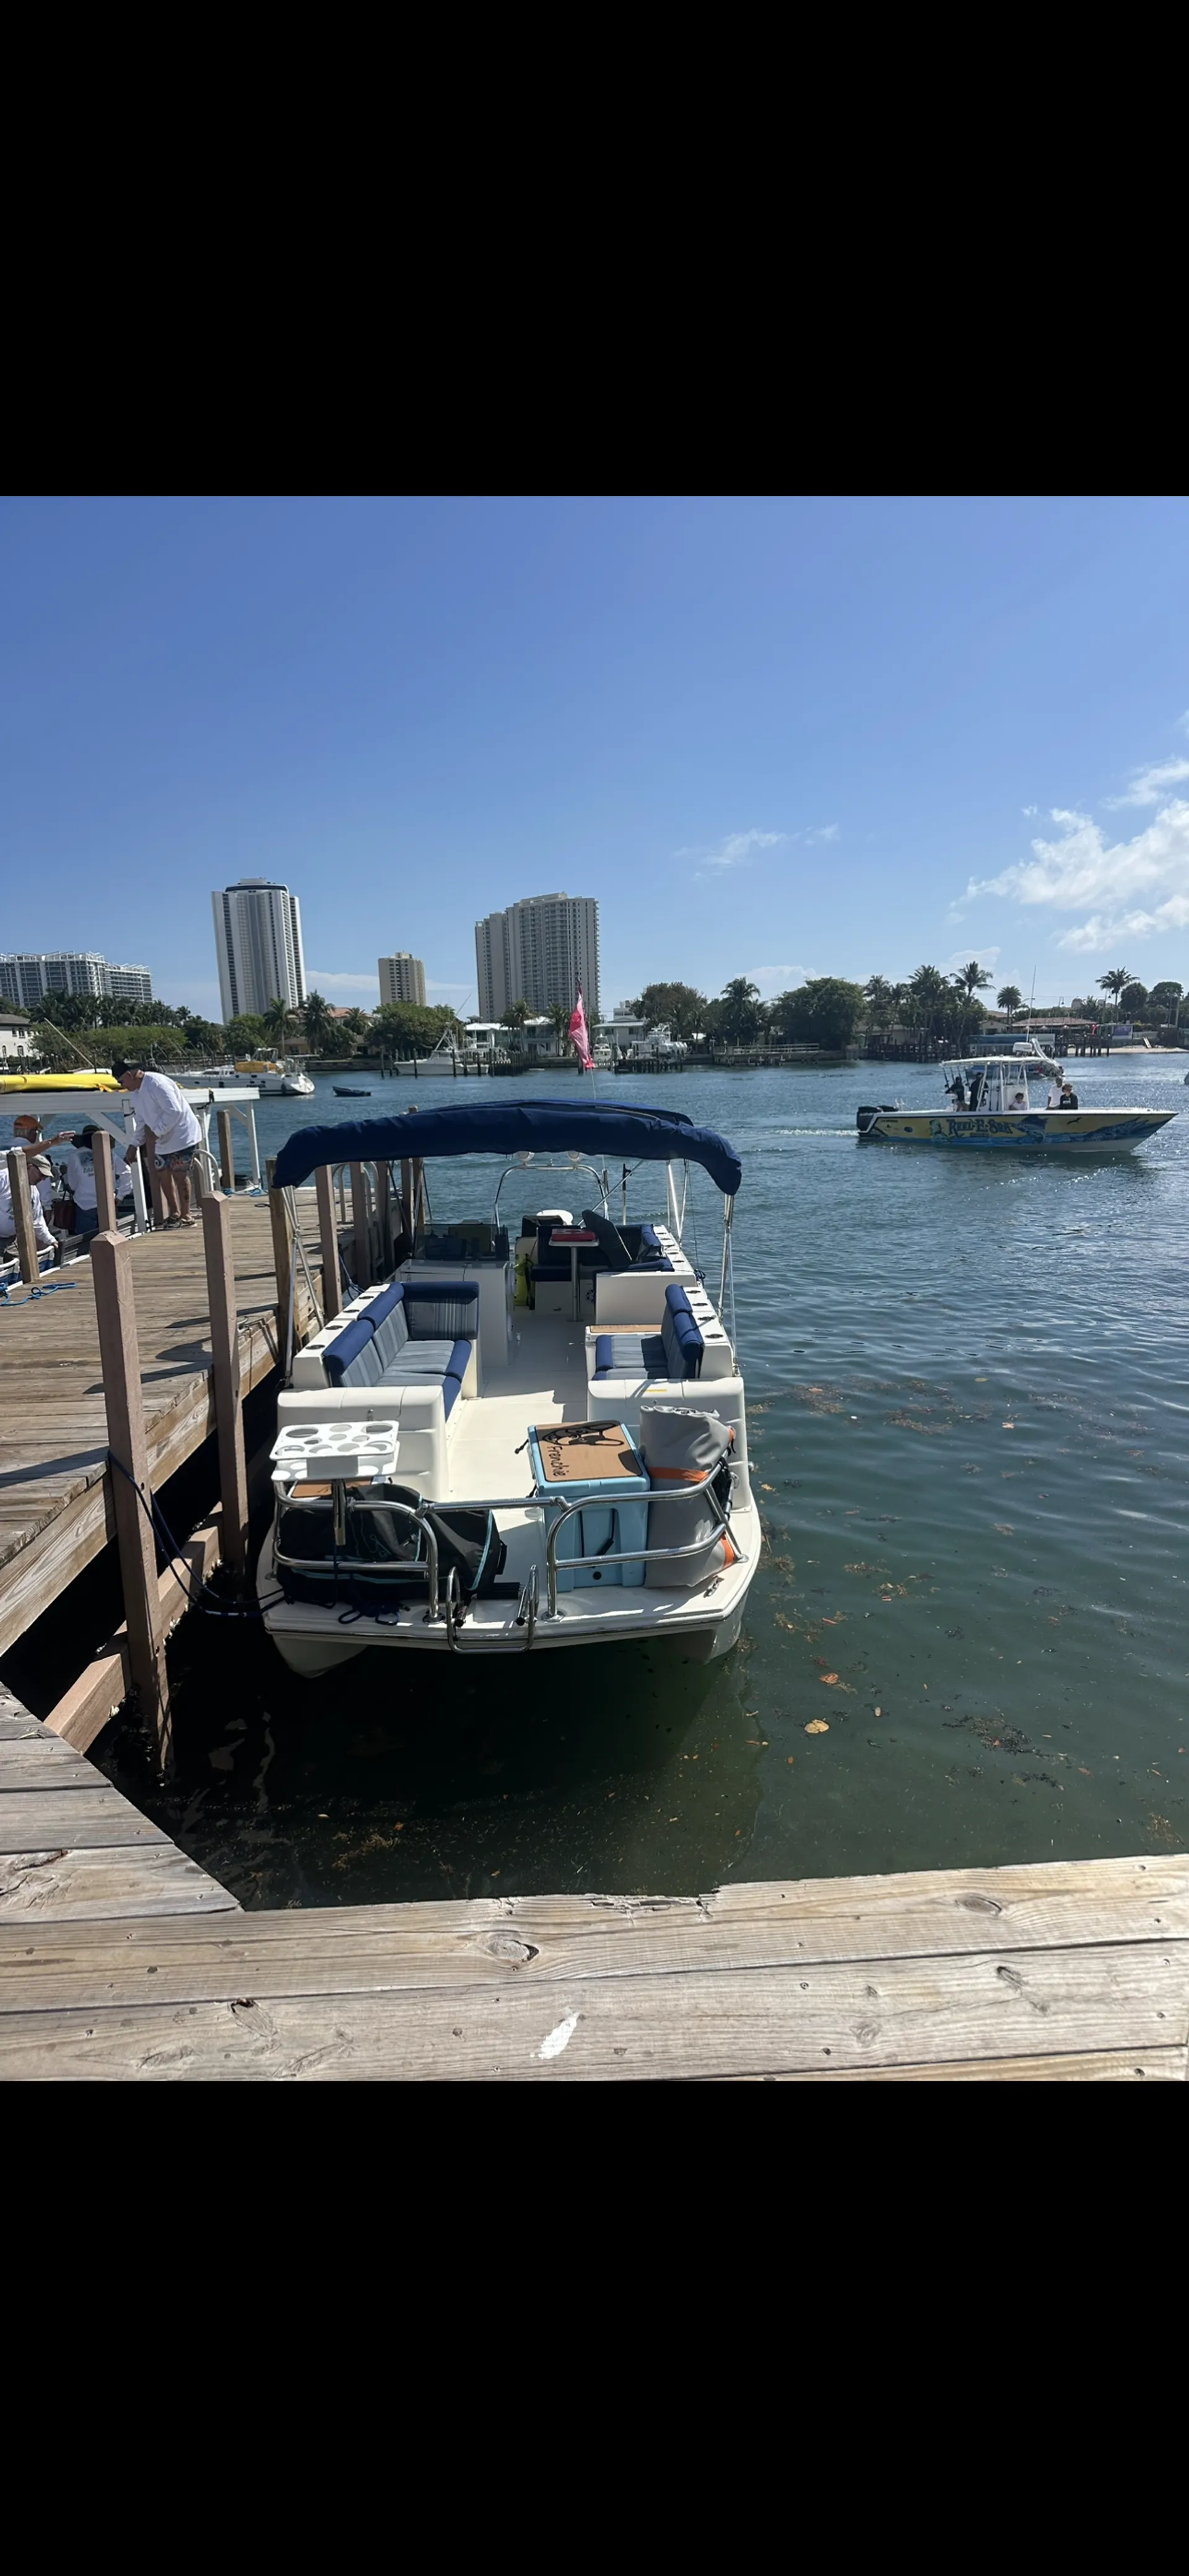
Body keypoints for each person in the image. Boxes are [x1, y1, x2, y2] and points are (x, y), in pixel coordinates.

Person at [111, 1060, 202, 1226]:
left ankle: (186, 1215)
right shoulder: (135, 1093)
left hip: (182, 1135)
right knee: (162, 1173)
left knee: (180, 1175)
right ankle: (174, 1213)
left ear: (130, 1074)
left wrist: (156, 1132)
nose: (122, 1085)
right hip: (161, 1139)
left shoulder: (157, 1083)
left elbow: (175, 1111)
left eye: (121, 1081)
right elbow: (140, 1121)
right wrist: (134, 1145)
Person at [57, 1127, 131, 1244]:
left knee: (86, 1241)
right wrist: (120, 1196)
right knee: (111, 1237)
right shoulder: (110, 1154)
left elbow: (72, 1184)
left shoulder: (75, 1156)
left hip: (84, 1204)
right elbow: (127, 1172)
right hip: (108, 1203)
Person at [0, 1156, 56, 1263]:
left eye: (45, 1177)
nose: (43, 1179)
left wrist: (51, 1240)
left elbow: (37, 1221)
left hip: (13, 1239)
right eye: (42, 1174)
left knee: (23, 1266)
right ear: (29, 1167)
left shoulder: (34, 1193)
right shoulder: (3, 1178)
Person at [9, 1114, 58, 1217]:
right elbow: (43, 1184)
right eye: (37, 1131)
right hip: (29, 1207)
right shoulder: (37, 1155)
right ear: (31, 1132)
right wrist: (47, 1207)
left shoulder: (5, 1150)